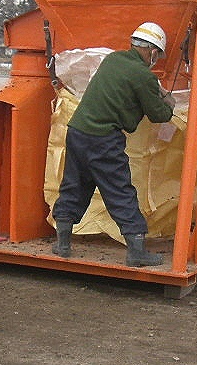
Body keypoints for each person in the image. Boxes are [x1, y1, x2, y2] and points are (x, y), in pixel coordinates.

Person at [52, 21, 177, 267]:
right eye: (157, 55)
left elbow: (120, 91)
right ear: (152, 51)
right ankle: (137, 251)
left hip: (77, 131)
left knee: (75, 185)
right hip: (103, 138)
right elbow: (158, 115)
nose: (157, 59)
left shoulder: (113, 60)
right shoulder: (143, 75)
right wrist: (168, 103)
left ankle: (63, 244)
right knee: (119, 191)